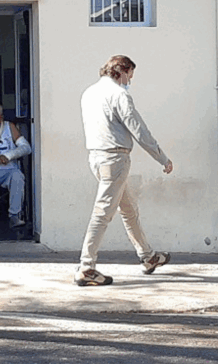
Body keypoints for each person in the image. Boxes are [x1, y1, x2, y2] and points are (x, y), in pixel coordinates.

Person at [76, 55, 173, 287]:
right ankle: (86, 267)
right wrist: (162, 158)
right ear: (122, 70)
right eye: (130, 74)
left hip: (97, 157)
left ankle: (148, 256)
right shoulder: (119, 94)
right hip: (115, 157)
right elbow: (138, 129)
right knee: (103, 213)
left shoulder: (89, 92)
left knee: (129, 209)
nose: (130, 80)